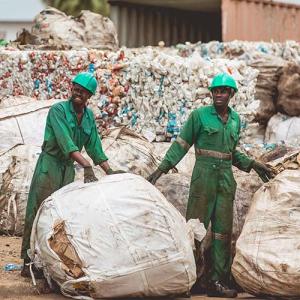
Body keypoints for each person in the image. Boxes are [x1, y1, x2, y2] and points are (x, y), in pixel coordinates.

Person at [147, 73, 275, 298]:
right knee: (195, 229)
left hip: (225, 180)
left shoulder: (236, 120)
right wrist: (162, 168)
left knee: (222, 234)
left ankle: (217, 281)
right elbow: (182, 144)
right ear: (211, 94)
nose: (219, 94)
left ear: (231, 94)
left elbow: (232, 152)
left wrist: (253, 164)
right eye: (215, 91)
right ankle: (190, 280)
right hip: (203, 177)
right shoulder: (199, 116)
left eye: (224, 91)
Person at [21, 72, 124, 277]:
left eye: (83, 92)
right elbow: (65, 141)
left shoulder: (88, 117)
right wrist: (85, 165)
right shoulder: (58, 110)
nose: (78, 94)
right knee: (38, 209)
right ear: (71, 89)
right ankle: (28, 260)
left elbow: (95, 147)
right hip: (49, 165)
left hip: (68, 168)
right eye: (76, 89)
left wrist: (109, 171)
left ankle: (51, 260)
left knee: (60, 215)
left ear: (89, 96)